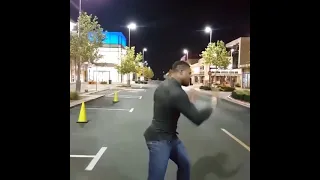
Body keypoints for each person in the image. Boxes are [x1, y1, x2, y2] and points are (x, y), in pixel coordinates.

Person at [143, 61, 213, 180]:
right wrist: (212, 106)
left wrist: (187, 103)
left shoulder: (165, 85)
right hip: (159, 140)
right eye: (189, 73)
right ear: (181, 72)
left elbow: (171, 105)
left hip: (171, 138)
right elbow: (197, 118)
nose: (190, 77)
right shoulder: (177, 92)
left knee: (185, 164)